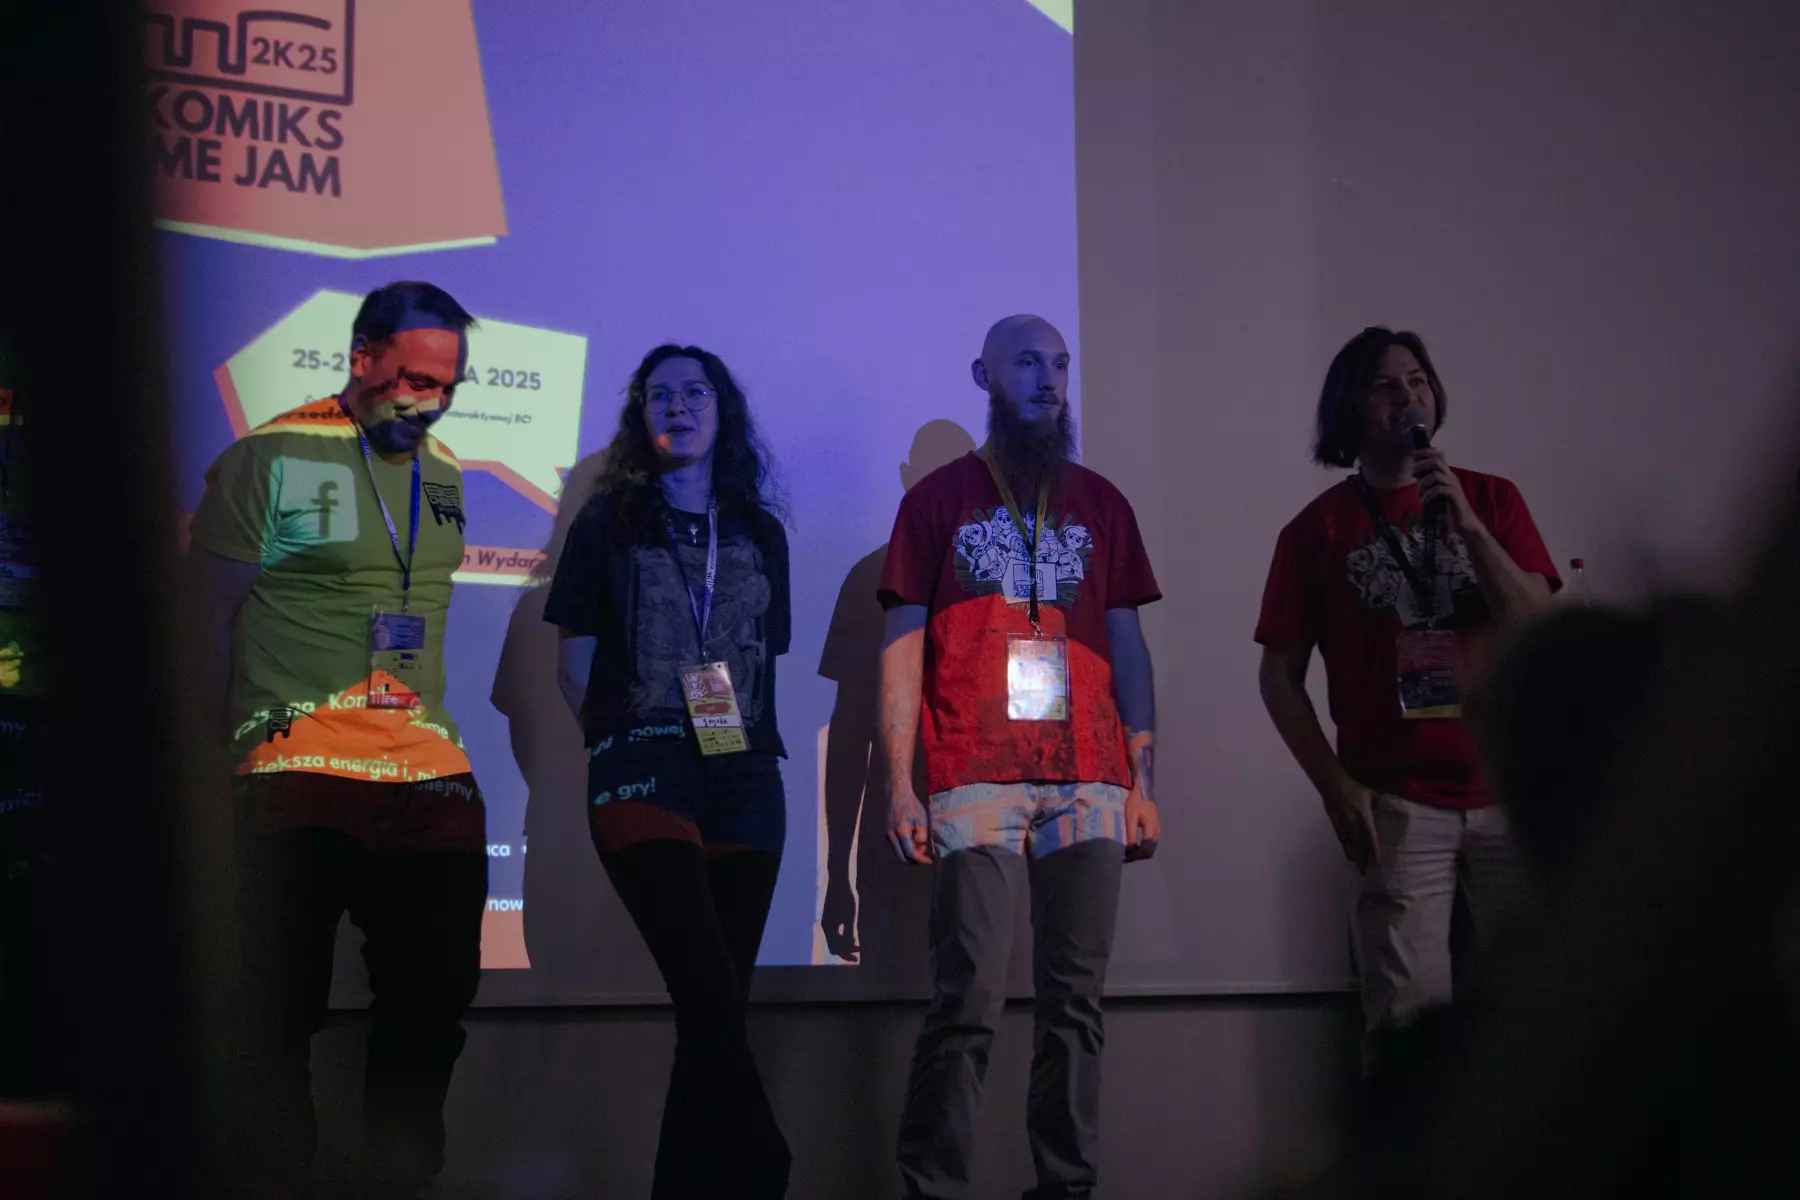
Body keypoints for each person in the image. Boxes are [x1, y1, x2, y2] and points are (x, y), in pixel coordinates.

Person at [189, 281, 488, 1196]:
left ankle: (398, 1180)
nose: (431, 401)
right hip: (297, 756)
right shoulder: (269, 456)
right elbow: (201, 628)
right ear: (361, 359)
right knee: (276, 1011)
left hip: (426, 766)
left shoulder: (446, 470)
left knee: (433, 1008)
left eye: (448, 385)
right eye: (414, 380)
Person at [880, 315, 1162, 1200]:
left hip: (1092, 777)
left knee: (1075, 1005)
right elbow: (901, 648)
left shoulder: (1103, 502)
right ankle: (934, 1189)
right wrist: (899, 785)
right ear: (985, 377)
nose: (1049, 379)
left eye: (1060, 365)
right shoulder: (935, 501)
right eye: (1029, 363)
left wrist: (1144, 782)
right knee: (966, 1000)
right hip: (974, 772)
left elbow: (1129, 645)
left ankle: (1066, 1188)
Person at [1254, 325, 1558, 1067]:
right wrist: (1334, 785)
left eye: (1418, 380)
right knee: (1406, 1031)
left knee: (1541, 1017)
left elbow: (1538, 629)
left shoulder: (1491, 499)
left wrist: (1471, 530)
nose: (1408, 396)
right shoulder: (1316, 531)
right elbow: (1279, 676)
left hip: (1509, 791)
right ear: (1349, 407)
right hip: (1397, 801)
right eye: (1385, 385)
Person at [544, 344, 792, 1200]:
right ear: (640, 415)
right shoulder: (607, 522)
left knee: (713, 1009)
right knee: (709, 996)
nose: (677, 407)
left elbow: (761, 657)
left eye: (694, 393)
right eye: (659, 395)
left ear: (724, 411)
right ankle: (768, 1162)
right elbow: (572, 665)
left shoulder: (759, 531)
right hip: (643, 765)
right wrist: (623, 740)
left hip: (745, 777)